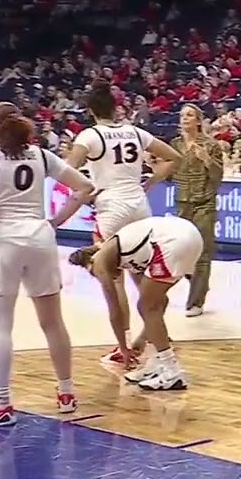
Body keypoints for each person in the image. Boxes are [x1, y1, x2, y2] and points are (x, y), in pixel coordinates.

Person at [0, 104, 95, 427]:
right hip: (39, 237)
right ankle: (66, 392)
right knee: (53, 322)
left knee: (0, 327)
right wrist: (56, 221)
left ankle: (2, 403)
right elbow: (85, 188)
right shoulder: (41, 156)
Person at [66, 81, 182, 366]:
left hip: (111, 208)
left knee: (113, 284)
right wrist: (150, 182)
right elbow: (174, 157)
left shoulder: (90, 135)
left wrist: (87, 190)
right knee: (146, 281)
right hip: (139, 207)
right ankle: (145, 338)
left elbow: (67, 169)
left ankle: (124, 348)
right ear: (115, 107)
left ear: (90, 110)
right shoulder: (135, 131)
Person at [66, 215, 205, 391]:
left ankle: (172, 371)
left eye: (93, 274)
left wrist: (123, 348)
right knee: (151, 303)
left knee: (146, 305)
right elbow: (161, 301)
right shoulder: (129, 253)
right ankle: (159, 360)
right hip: (190, 236)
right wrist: (140, 340)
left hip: (173, 240)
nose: (99, 276)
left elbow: (115, 311)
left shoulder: (100, 260)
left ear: (90, 262)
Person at [169, 104, 225, 317]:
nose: (185, 118)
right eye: (182, 115)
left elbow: (218, 177)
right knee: (180, 252)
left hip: (204, 202)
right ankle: (200, 283)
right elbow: (168, 174)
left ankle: (195, 301)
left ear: (199, 121)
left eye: (190, 115)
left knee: (202, 253)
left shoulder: (211, 145)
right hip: (182, 203)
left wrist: (207, 160)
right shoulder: (174, 145)